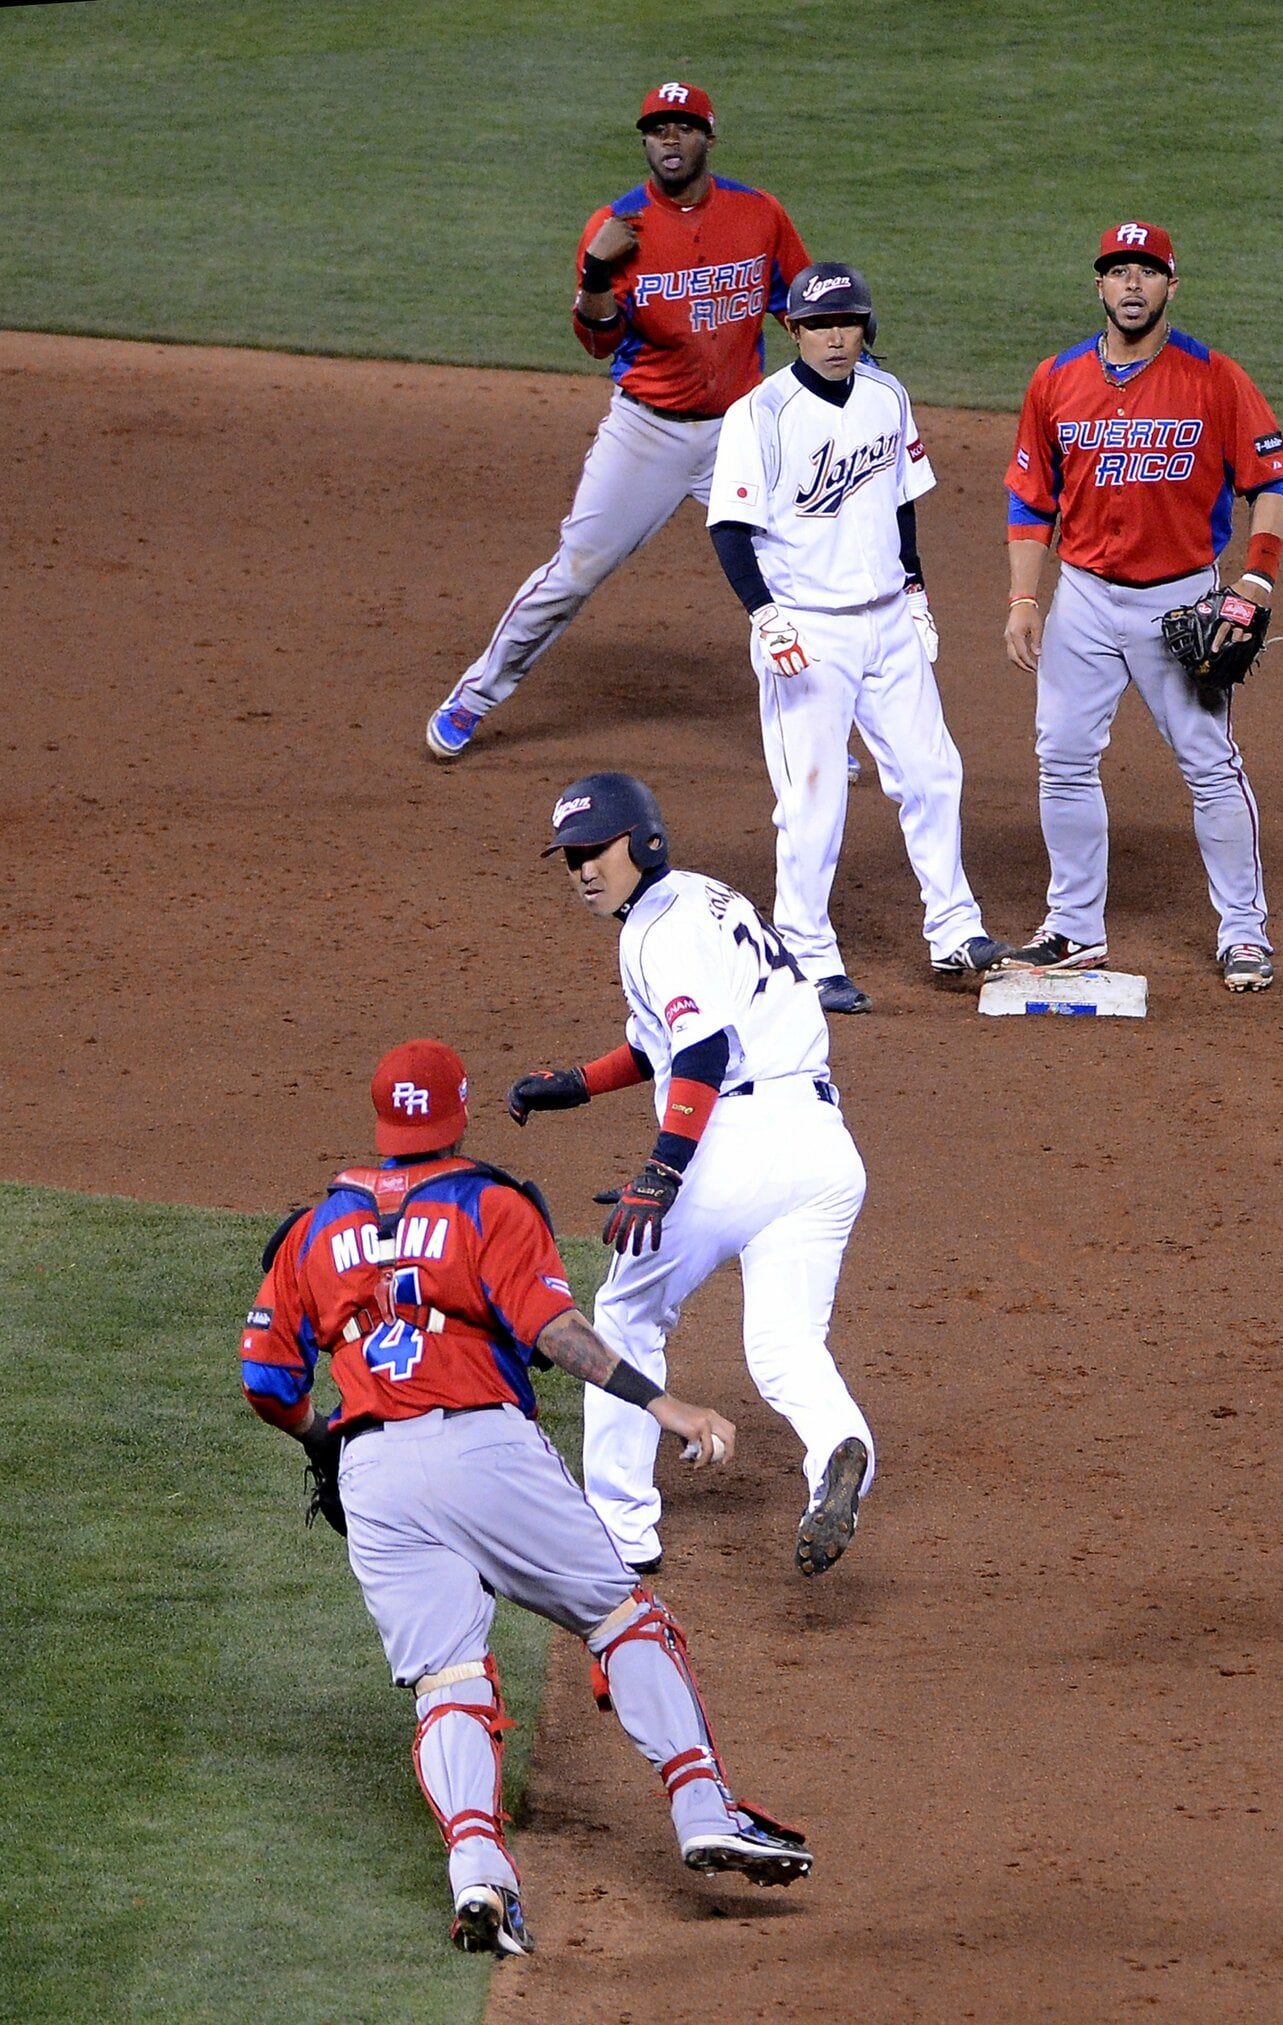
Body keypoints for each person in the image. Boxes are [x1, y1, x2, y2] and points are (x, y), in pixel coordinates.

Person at [239, 1038, 813, 1962]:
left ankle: (479, 1877)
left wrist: (328, 1438)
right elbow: (553, 1329)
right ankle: (704, 1806)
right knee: (624, 1617)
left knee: (449, 1682)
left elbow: (264, 1380)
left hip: (376, 1472)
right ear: (458, 1111)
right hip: (483, 1445)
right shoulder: (489, 1202)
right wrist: (664, 1404)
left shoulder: (313, 1230)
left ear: (382, 1118)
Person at [507, 772, 874, 1577]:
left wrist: (662, 1172)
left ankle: (617, 1527)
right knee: (783, 1343)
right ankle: (839, 1450)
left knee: (626, 1310)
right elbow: (660, 1045)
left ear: (643, 842)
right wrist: (576, 1081)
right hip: (820, 1144)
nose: (582, 871)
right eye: (570, 858)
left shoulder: (654, 932)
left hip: (735, 1138)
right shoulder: (704, 902)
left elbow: (704, 1052)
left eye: (596, 850)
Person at [425, 81, 809, 761]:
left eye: (683, 127)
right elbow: (600, 341)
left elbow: (797, 306)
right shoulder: (617, 226)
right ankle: (472, 698)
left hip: (739, 432)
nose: (669, 139)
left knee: (793, 577)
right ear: (644, 139)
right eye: (657, 127)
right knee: (574, 571)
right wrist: (597, 278)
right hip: (647, 432)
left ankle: (810, 727)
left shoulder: (759, 214)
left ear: (708, 138)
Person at [704, 262, 1011, 1014]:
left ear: (865, 327)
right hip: (807, 630)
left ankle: (954, 930)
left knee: (934, 774)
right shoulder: (761, 413)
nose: (835, 337)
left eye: (847, 322)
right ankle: (806, 951)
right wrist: (763, 614)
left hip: (885, 622)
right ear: (791, 330)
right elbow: (729, 527)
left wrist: (914, 588)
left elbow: (901, 501)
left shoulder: (887, 396)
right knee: (814, 800)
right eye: (818, 325)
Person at [1001, 221, 1283, 991]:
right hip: (1085, 600)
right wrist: (1026, 597)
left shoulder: (1214, 377)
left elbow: (1269, 483)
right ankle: (1072, 928)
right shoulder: (1055, 378)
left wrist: (1255, 581)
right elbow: (1032, 501)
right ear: (1098, 285)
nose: (1133, 285)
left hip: (1181, 599)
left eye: (1148, 272)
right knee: (1061, 758)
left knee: (1208, 764)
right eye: (1118, 271)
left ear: (1172, 286)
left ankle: (1244, 932)